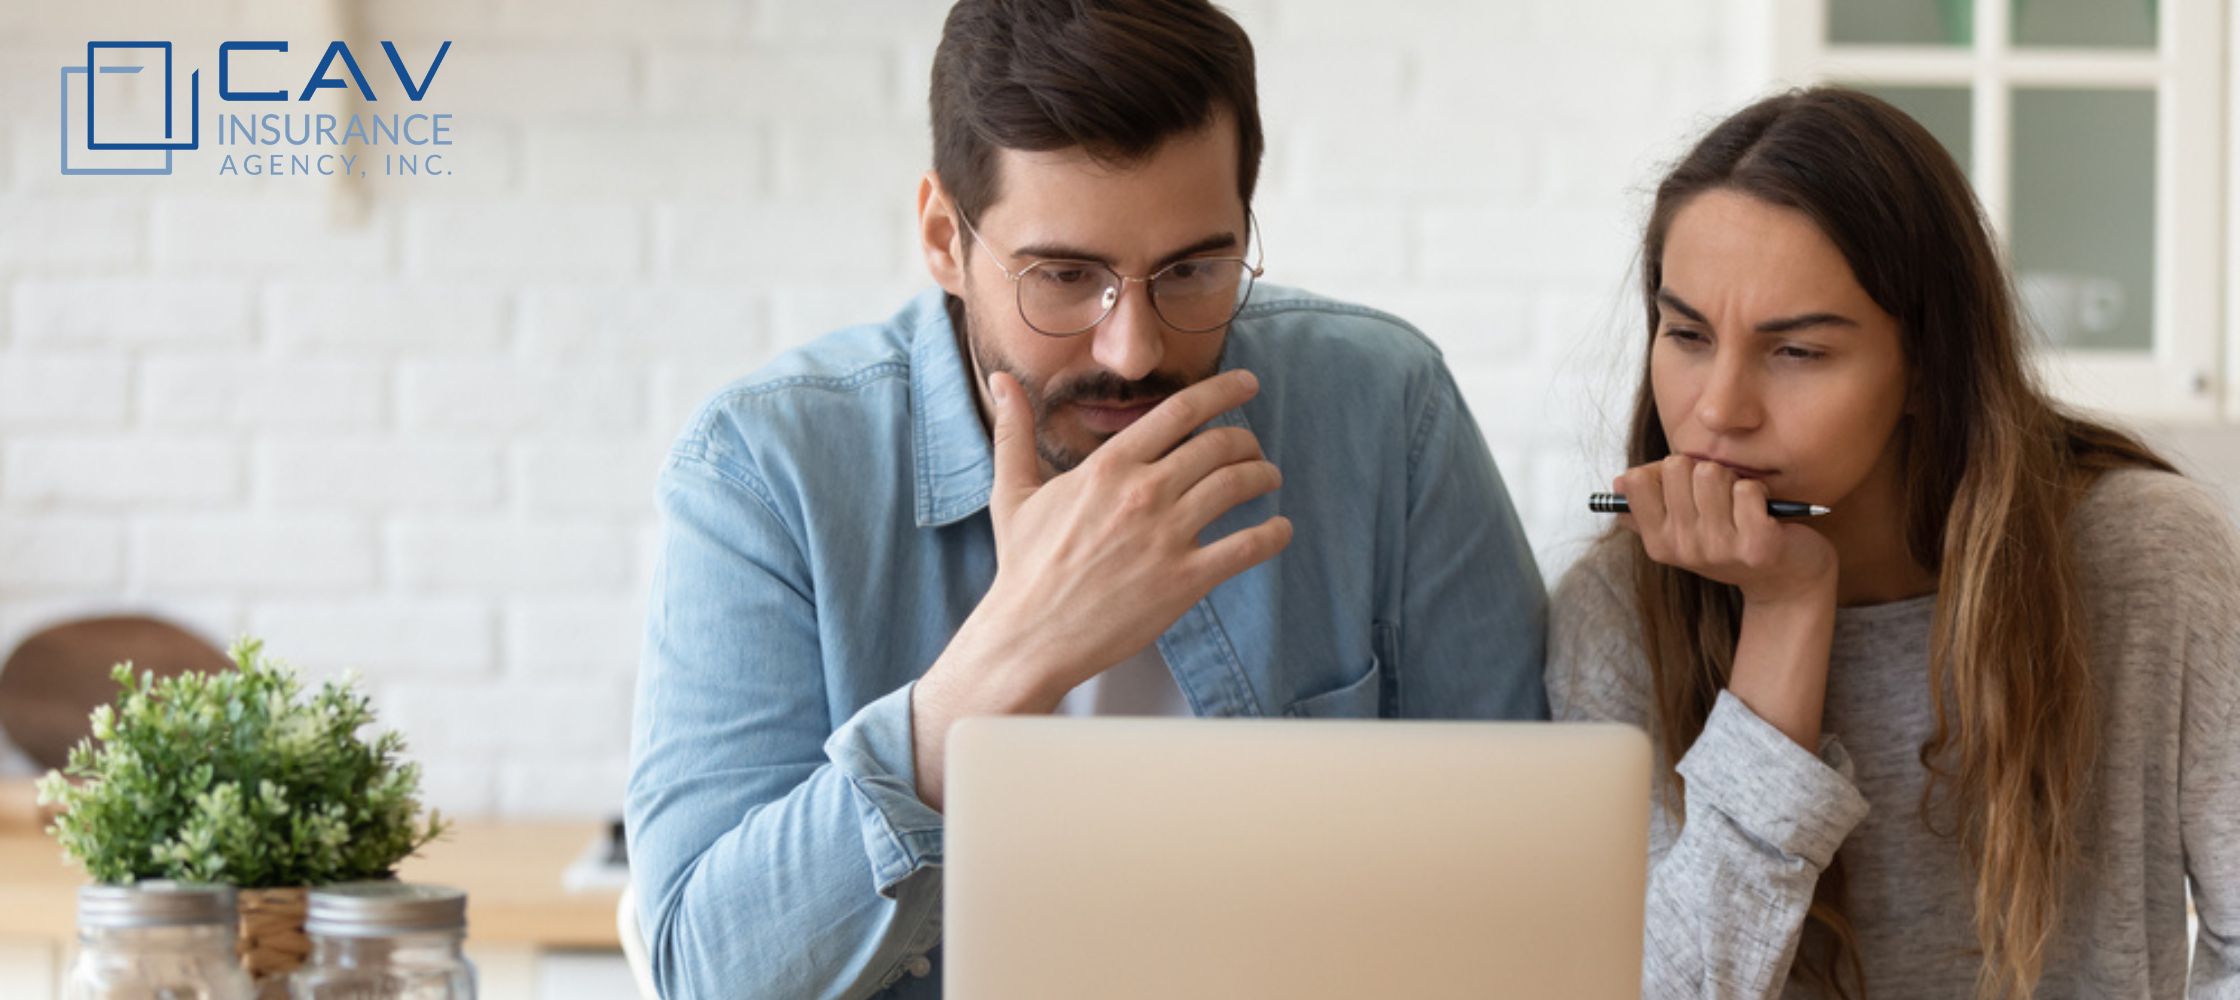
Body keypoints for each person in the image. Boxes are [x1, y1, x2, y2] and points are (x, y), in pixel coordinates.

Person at [625, 1, 1547, 995]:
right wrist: (1013, 651)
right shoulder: (766, 467)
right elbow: (707, 969)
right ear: (945, 237)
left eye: (1192, 270)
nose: (1134, 348)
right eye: (1064, 277)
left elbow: (1535, 873)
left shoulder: (1383, 409)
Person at [1547, 86, 2238, 998]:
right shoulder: (1616, 613)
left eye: (1796, 352)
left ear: (1927, 367)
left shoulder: (2148, 559)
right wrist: (1786, 614)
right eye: (1687, 334)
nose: (1717, 409)